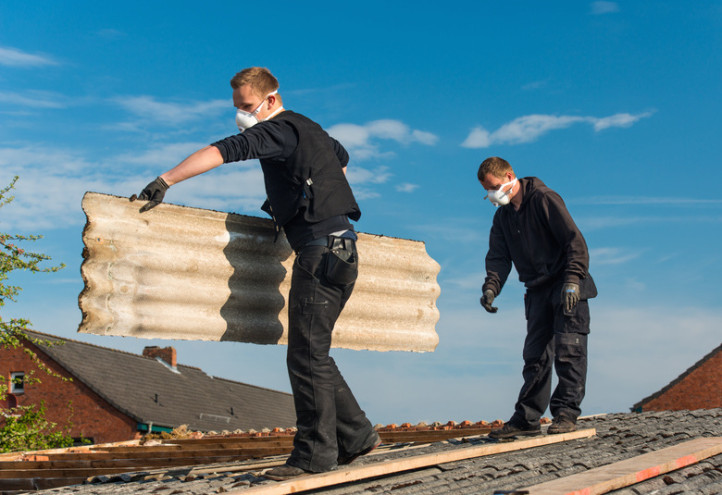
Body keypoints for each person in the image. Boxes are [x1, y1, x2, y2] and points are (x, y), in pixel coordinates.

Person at [132, 67, 380, 479]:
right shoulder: (309, 128)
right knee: (314, 351)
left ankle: (314, 456)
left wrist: (165, 180)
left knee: (305, 356)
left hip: (320, 251)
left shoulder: (277, 130)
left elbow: (222, 150)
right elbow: (341, 158)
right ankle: (357, 437)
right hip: (343, 248)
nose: (241, 115)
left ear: (270, 100)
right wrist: (316, 194)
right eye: (236, 107)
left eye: (246, 107)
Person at [477, 157, 597, 439]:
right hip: (537, 290)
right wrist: (491, 287)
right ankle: (527, 419)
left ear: (509, 176)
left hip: (567, 283)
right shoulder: (503, 217)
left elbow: (574, 241)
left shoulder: (544, 199)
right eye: (488, 190)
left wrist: (572, 279)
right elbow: (498, 257)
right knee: (535, 357)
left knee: (569, 350)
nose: (493, 194)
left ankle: (566, 414)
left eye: (495, 187)